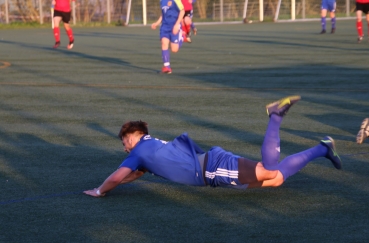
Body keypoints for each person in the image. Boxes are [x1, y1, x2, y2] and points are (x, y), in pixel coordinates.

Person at [84, 96, 343, 197]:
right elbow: (132, 176)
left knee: (269, 170)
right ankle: (323, 147)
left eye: (124, 141)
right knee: (276, 179)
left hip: (212, 169)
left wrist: (99, 190)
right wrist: (125, 180)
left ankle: (275, 116)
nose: (125, 147)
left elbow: (118, 176)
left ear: (135, 135)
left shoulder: (140, 149)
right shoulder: (147, 150)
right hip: (212, 165)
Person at [151, 0, 185, 74]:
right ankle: (167, 67)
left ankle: (182, 36)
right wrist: (156, 23)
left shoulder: (176, 1)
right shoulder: (162, 1)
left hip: (174, 26)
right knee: (164, 43)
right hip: (164, 27)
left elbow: (182, 11)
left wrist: (177, 24)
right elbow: (163, 14)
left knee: (174, 50)